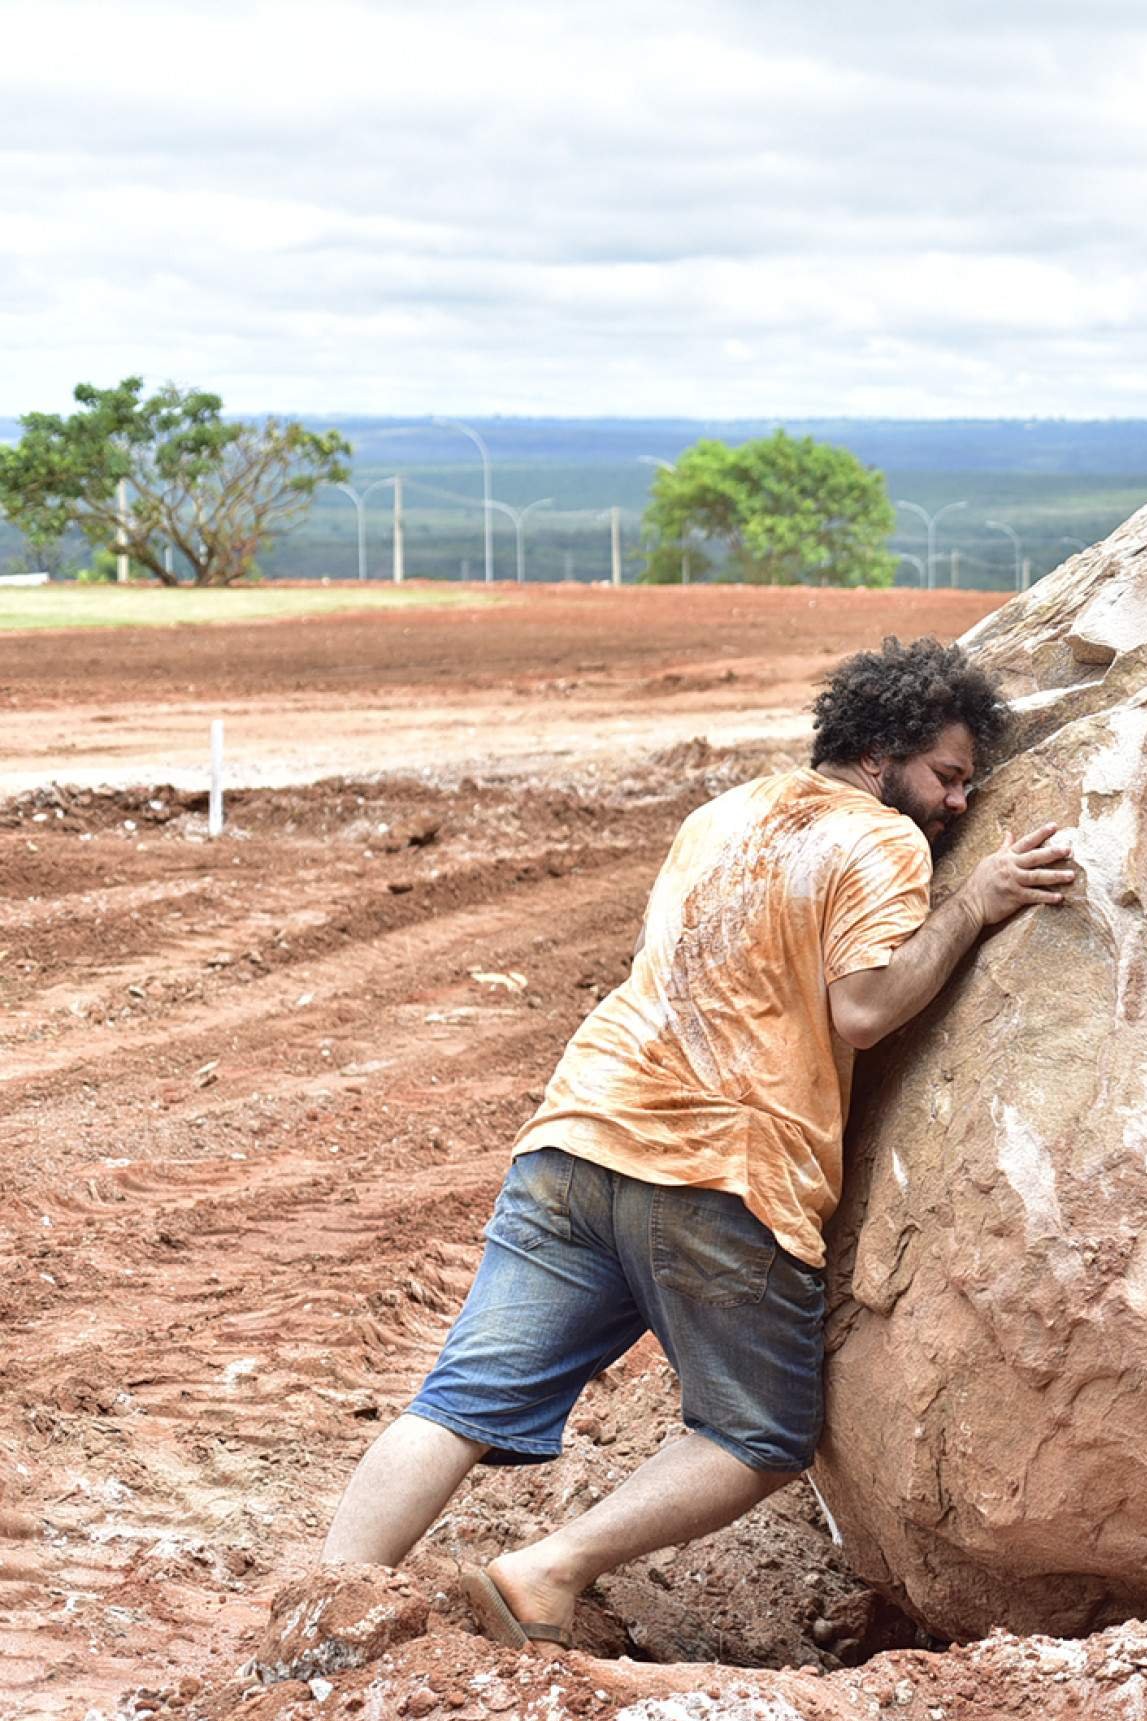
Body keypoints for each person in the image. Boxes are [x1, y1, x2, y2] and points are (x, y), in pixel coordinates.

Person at [315, 638, 1075, 1646]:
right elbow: (865, 1006)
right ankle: (548, 1570)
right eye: (946, 776)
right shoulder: (876, 842)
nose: (955, 804)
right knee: (757, 1434)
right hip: (722, 1174)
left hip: (576, 1136)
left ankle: (318, 1608)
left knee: (457, 1402)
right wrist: (974, 903)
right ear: (880, 752)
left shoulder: (719, 814)